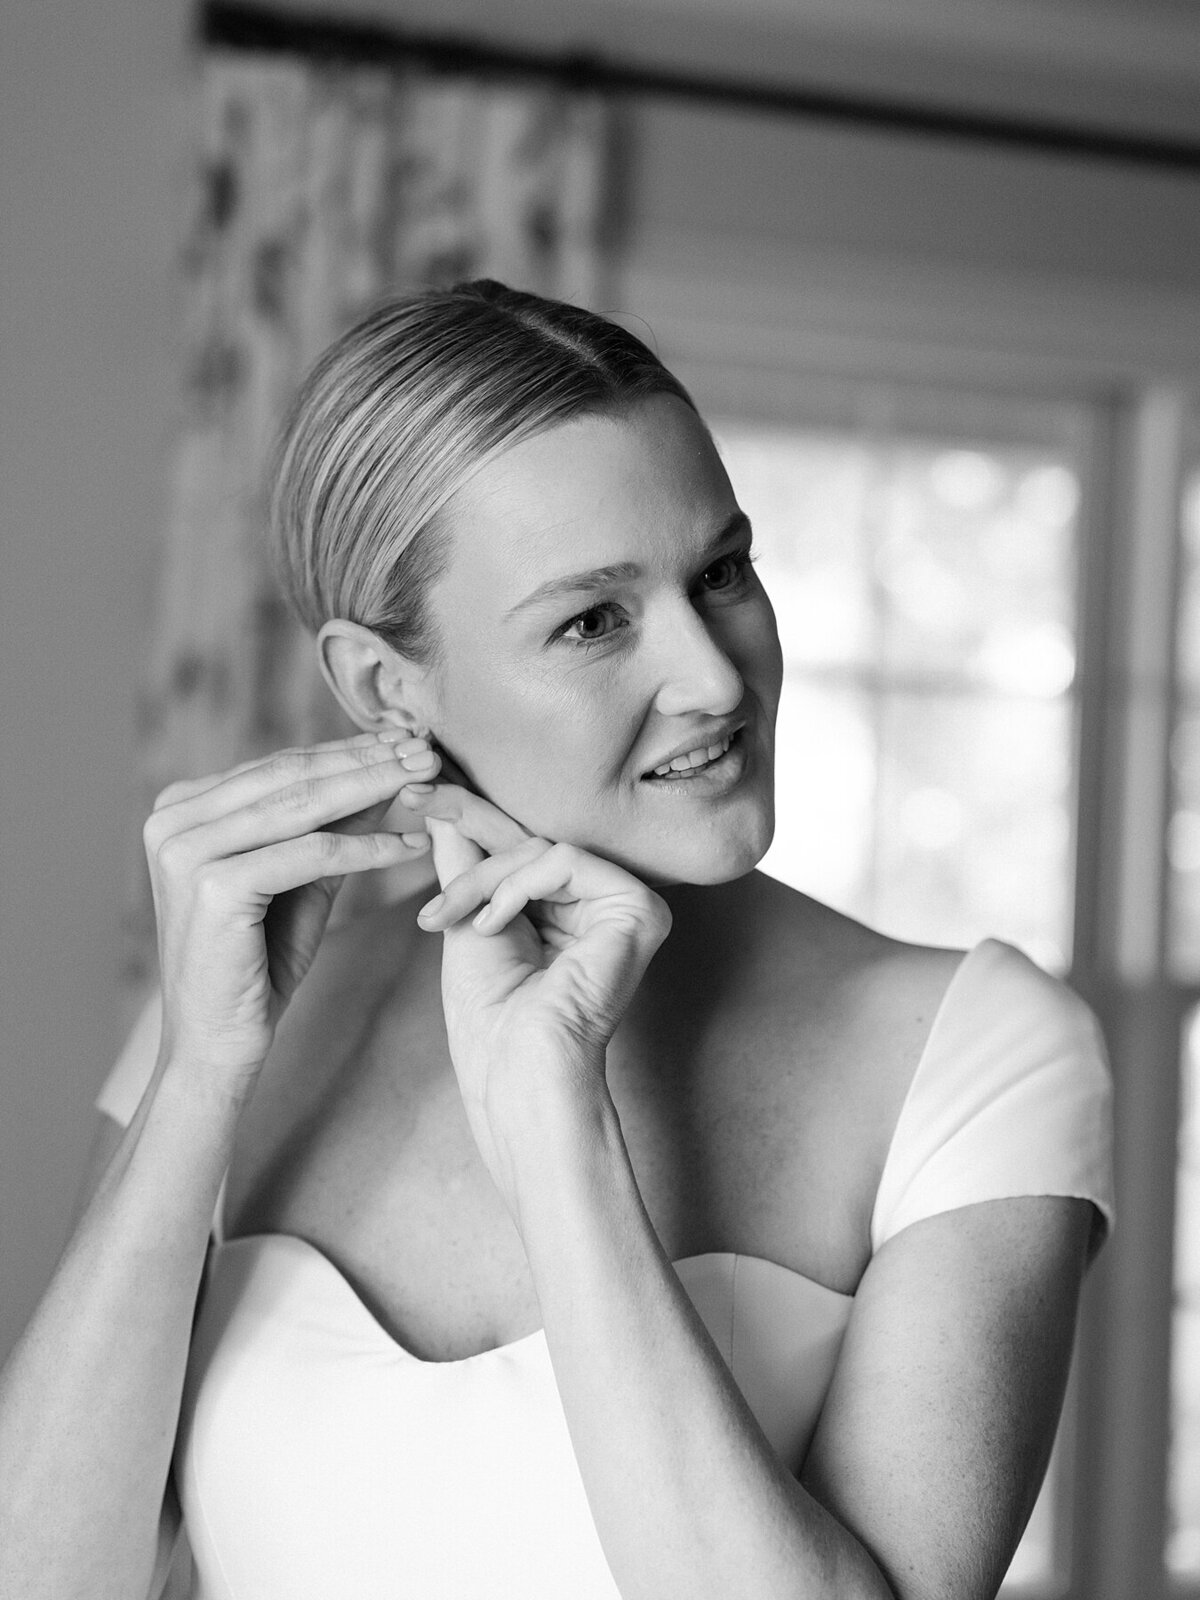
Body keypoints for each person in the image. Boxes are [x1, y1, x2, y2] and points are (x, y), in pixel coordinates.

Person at [0, 280, 1113, 1600]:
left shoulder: (970, 1055)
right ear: (381, 687)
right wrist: (197, 1080)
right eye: (593, 619)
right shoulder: (228, 1027)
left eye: (723, 572)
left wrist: (556, 1126)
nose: (714, 678)